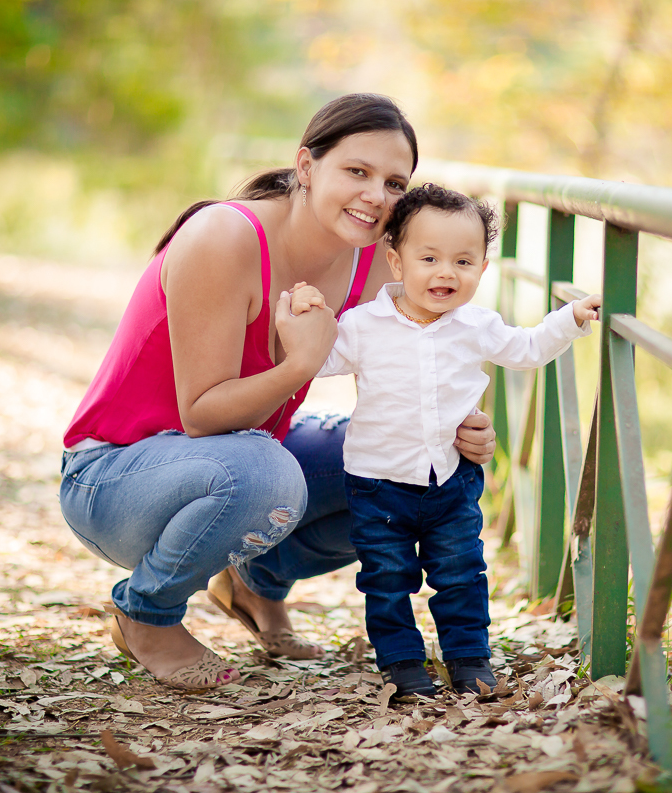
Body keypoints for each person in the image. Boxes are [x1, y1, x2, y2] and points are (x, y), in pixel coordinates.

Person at [57, 95, 497, 691]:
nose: (376, 195)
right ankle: (147, 614)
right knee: (268, 475)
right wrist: (302, 364)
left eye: (395, 183)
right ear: (307, 166)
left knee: (403, 465)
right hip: (115, 478)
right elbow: (202, 415)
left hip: (243, 460)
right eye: (357, 171)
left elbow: (417, 364)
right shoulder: (223, 237)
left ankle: (255, 583)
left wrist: (461, 425)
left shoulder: (374, 261)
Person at [291, 183, 601, 697]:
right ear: (396, 261)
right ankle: (402, 663)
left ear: (483, 268)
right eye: (429, 258)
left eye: (463, 261)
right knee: (386, 576)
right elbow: (316, 362)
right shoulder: (363, 325)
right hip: (378, 481)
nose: (446, 273)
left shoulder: (477, 325)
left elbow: (527, 349)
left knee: (461, 572)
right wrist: (305, 318)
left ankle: (469, 657)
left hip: (452, 477)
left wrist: (569, 319)